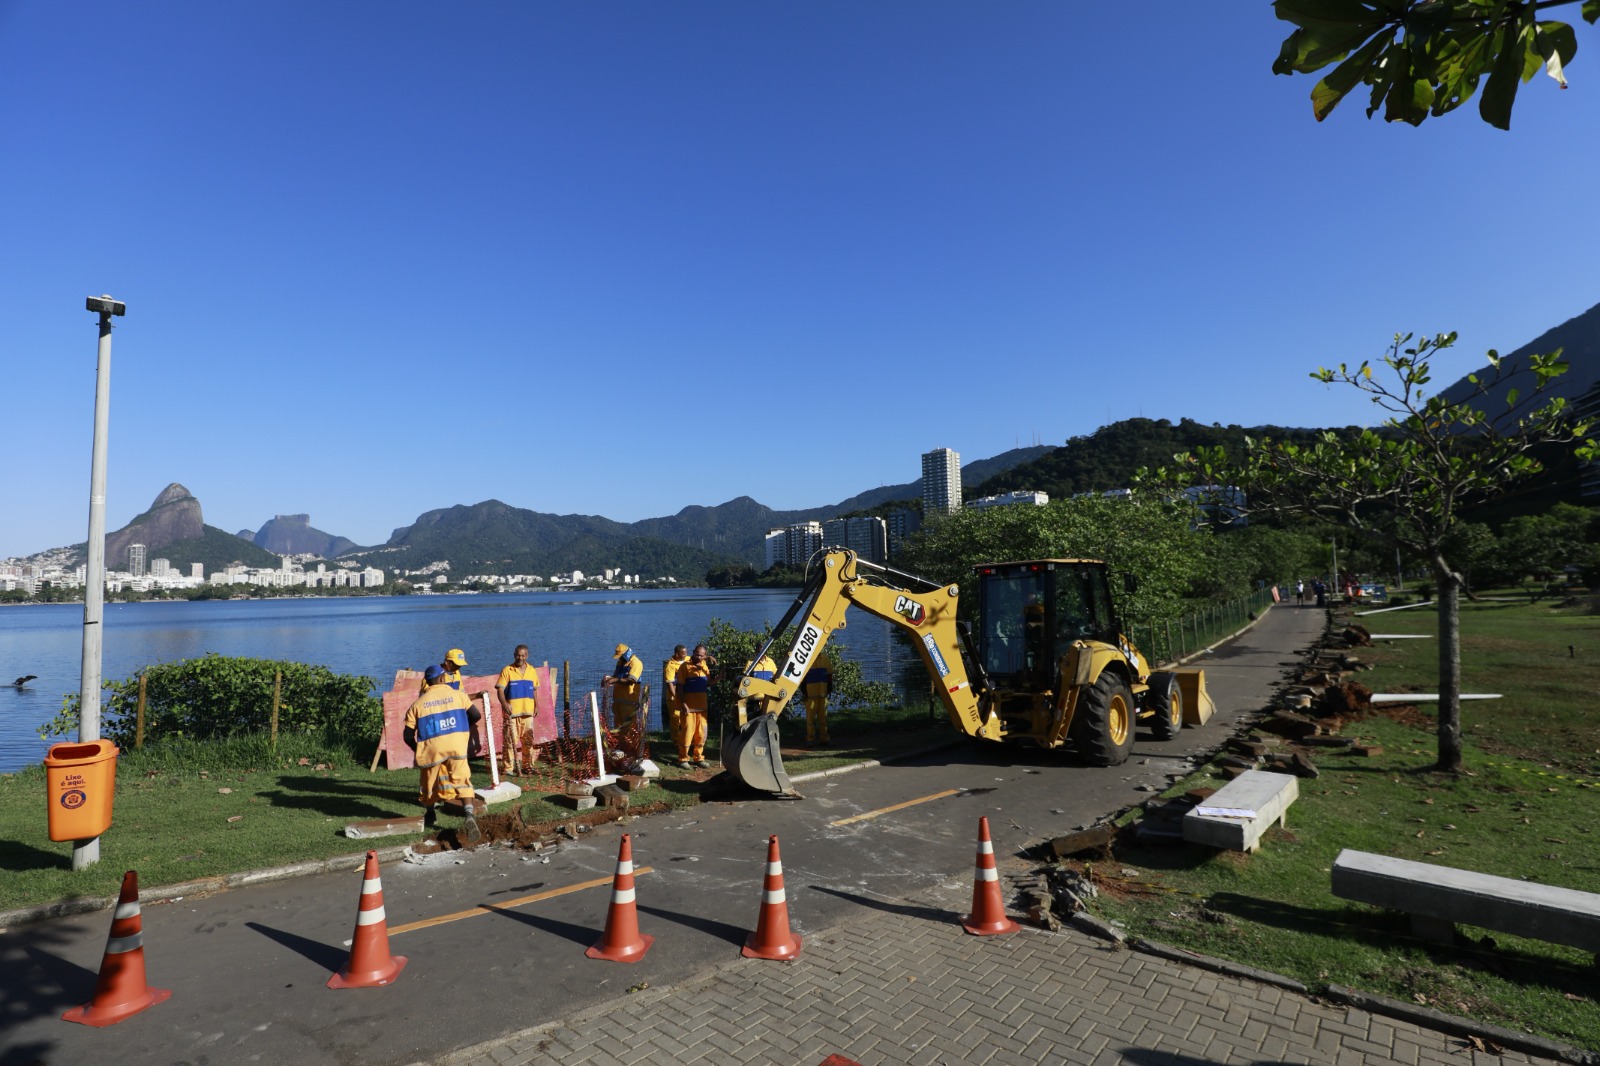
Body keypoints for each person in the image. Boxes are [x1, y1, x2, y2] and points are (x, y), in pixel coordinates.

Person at [404, 664, 481, 841]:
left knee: (428, 785)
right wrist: (461, 730)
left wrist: (418, 749)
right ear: (441, 679)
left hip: (432, 749)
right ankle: (469, 814)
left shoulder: (418, 704)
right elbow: (476, 715)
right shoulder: (459, 695)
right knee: (463, 781)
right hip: (456, 745)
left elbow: (407, 735)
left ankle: (430, 813)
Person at [495, 644, 541, 775]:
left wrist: (537, 705)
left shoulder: (532, 670)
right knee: (510, 741)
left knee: (528, 741)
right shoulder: (507, 670)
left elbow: (535, 690)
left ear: (526, 656)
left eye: (522, 655)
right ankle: (508, 768)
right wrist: (504, 704)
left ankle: (528, 767)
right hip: (512, 714)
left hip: (528, 713)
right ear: (514, 655)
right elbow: (500, 690)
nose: (520, 658)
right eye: (517, 655)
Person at [675, 643, 716, 769]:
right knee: (687, 732)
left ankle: (698, 758)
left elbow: (707, 684)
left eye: (702, 655)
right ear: (693, 652)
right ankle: (683, 758)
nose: (699, 657)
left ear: (705, 655)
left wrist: (718, 679)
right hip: (688, 708)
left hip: (702, 707)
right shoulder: (684, 667)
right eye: (697, 654)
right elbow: (680, 687)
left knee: (701, 734)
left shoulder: (704, 666)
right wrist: (683, 704)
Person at [602, 643, 645, 731]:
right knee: (617, 728)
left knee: (629, 728)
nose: (619, 658)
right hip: (618, 702)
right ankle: (620, 744)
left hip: (629, 702)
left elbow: (631, 681)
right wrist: (608, 679)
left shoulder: (636, 663)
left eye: (621, 656)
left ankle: (630, 744)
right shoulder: (620, 662)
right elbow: (615, 677)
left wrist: (614, 680)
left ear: (626, 654)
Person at [734, 650, 778, 727]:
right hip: (754, 700)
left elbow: (776, 677)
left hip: (768, 699)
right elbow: (744, 680)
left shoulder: (770, 662)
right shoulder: (750, 663)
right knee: (754, 722)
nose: (760, 653)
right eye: (758, 651)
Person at [802, 650, 833, 747]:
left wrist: (829, 690)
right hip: (810, 696)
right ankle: (810, 739)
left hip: (822, 696)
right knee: (810, 720)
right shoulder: (806, 660)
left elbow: (829, 676)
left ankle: (825, 739)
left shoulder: (825, 659)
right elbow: (802, 680)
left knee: (823, 719)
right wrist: (804, 693)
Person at [663, 644, 690, 750]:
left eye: (686, 652)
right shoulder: (670, 666)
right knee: (676, 720)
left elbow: (696, 657)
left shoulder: (687, 659)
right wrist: (676, 696)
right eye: (683, 653)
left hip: (686, 695)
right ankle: (676, 741)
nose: (686, 655)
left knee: (687, 719)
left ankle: (686, 740)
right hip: (674, 697)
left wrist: (708, 657)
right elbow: (669, 684)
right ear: (677, 654)